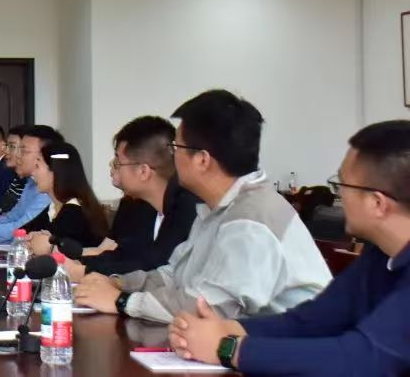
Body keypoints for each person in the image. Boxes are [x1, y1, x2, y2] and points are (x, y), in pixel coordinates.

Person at [169, 120, 410, 375]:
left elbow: (363, 359)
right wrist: (226, 330)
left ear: (377, 203)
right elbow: (311, 322)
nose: (339, 195)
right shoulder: (380, 255)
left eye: (341, 185)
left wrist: (229, 349)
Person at [74, 90, 331, 324]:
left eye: (176, 147)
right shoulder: (216, 208)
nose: (171, 157)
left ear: (202, 160)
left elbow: (208, 307)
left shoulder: (251, 219)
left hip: (290, 352)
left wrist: (122, 301)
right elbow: (174, 275)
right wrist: (120, 284)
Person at [64, 116, 200, 281]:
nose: (113, 167)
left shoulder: (188, 208)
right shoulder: (146, 207)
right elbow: (127, 255)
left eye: (119, 163)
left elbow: (155, 267)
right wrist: (82, 263)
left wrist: (85, 271)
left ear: (143, 171)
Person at [28, 139, 109, 252]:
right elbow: (24, 233)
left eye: (37, 166)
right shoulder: (53, 208)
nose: (32, 173)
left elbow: (46, 247)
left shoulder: (75, 213)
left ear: (56, 170)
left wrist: (36, 240)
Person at [1, 125, 29, 212]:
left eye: (12, 146)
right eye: (7, 146)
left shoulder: (34, 184)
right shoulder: (16, 180)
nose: (5, 151)